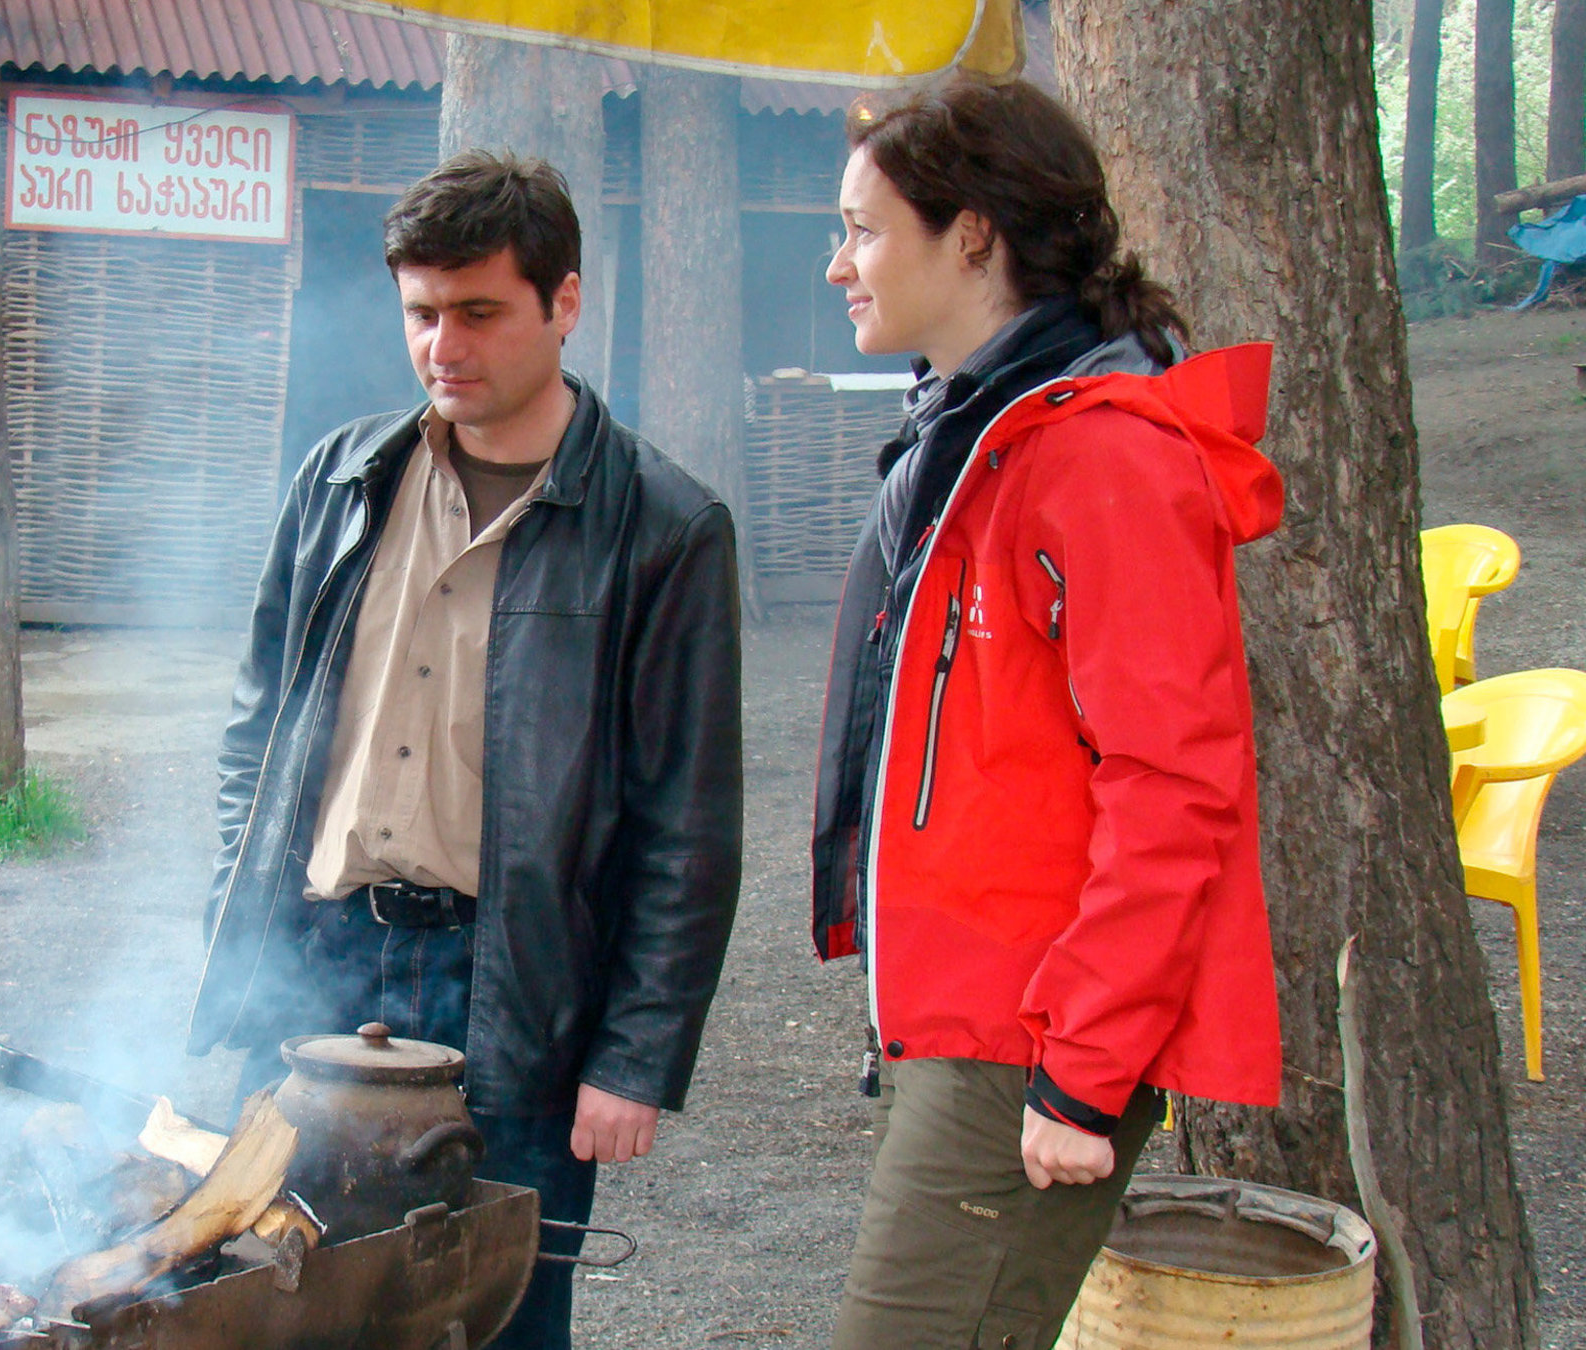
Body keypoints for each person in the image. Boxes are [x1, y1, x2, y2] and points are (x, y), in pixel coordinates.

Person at [188, 150, 742, 1349]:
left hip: (513, 988)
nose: (445, 345)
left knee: (496, 1323)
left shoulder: (664, 526)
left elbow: (686, 829)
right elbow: (259, 729)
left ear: (566, 302)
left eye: (480, 311)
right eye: (422, 314)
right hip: (320, 962)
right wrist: (238, 929)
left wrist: (635, 1057)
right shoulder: (340, 480)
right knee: (281, 1307)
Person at [806, 79, 1285, 1350]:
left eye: (861, 228)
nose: (838, 261)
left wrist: (1083, 1069)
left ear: (973, 235)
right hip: (970, 1017)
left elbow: (1176, 783)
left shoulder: (1102, 452)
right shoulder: (970, 430)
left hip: (1034, 1033)